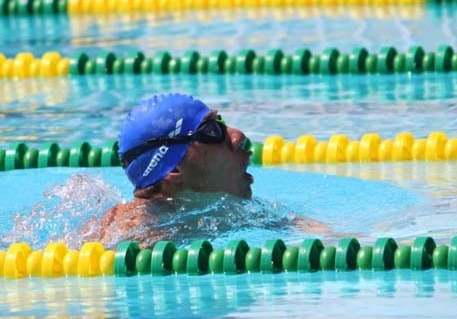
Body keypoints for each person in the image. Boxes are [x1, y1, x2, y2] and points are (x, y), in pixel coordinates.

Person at [84, 93, 330, 247]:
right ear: (174, 169)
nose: (238, 137)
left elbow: (318, 232)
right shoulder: (130, 236)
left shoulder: (233, 212)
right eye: (212, 132)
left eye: (221, 122)